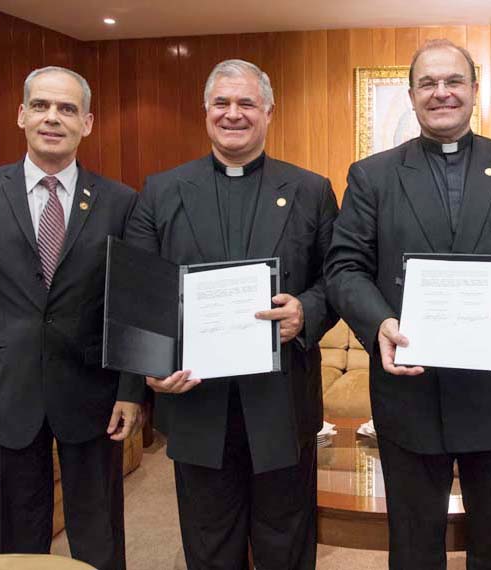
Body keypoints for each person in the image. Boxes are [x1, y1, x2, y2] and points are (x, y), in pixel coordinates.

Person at [324, 39, 491, 569]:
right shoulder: (371, 176)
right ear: (412, 95)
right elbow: (344, 268)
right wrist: (380, 323)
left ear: (474, 91)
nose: (441, 93)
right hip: (409, 394)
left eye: (453, 81)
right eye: (428, 84)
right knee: (414, 548)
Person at [125, 59, 338, 570]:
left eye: (246, 103)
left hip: (282, 402)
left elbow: (339, 278)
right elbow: (139, 291)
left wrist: (305, 311)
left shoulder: (311, 189)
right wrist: (151, 364)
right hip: (198, 402)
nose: (233, 114)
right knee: (209, 546)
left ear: (268, 111)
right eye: (221, 103)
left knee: (286, 544)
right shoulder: (162, 191)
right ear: (205, 112)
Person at [0, 66, 143, 570]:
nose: (54, 118)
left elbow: (132, 307)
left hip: (93, 396)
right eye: (42, 106)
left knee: (100, 538)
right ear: (21, 115)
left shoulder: (120, 201)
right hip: (4, 395)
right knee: (18, 542)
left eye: (68, 109)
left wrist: (130, 390)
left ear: (88, 123)